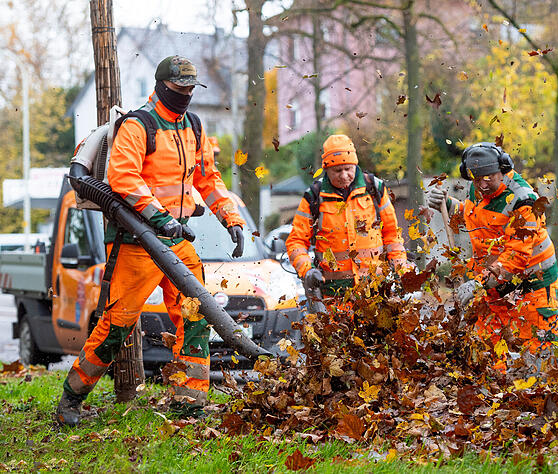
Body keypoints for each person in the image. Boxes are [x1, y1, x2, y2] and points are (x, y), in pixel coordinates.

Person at [56, 56, 246, 425]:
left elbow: (208, 177)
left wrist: (231, 218)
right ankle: (71, 398)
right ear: (162, 87)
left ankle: (188, 404)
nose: (187, 95)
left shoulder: (193, 125)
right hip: (135, 242)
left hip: (178, 241)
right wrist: (161, 218)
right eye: (180, 89)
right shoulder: (138, 125)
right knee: (116, 326)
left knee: (195, 316)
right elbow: (124, 179)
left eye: (191, 89)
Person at [426, 142, 558, 351]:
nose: (482, 185)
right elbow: (477, 222)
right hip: (494, 283)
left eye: (488, 178)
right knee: (488, 347)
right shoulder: (478, 188)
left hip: (531, 284)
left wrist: (477, 284)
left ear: (503, 170)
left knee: (535, 349)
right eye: (476, 179)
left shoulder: (523, 200)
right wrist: (449, 205)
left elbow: (515, 258)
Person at [286, 134, 407, 299]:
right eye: (337, 171)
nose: (344, 176)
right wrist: (307, 271)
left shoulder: (374, 188)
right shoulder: (315, 196)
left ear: (355, 165)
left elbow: (392, 234)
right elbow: (296, 242)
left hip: (375, 292)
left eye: (348, 169)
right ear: (326, 169)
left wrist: (401, 271)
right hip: (335, 295)